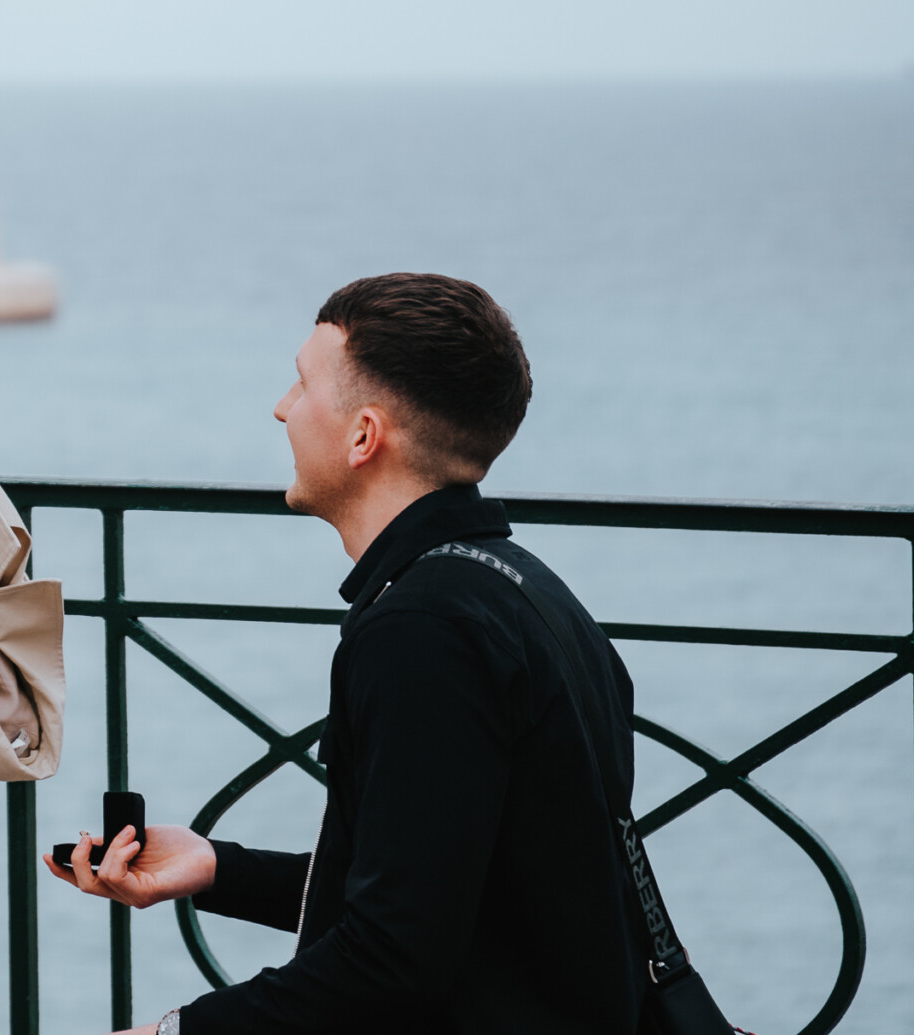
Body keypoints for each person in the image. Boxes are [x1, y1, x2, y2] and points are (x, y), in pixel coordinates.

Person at [46, 273, 649, 1034]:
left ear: (364, 435)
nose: (280, 406)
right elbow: (440, 890)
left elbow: (394, 957)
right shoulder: (529, 591)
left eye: (301, 384)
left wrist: (175, 1033)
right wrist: (218, 866)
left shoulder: (423, 631)